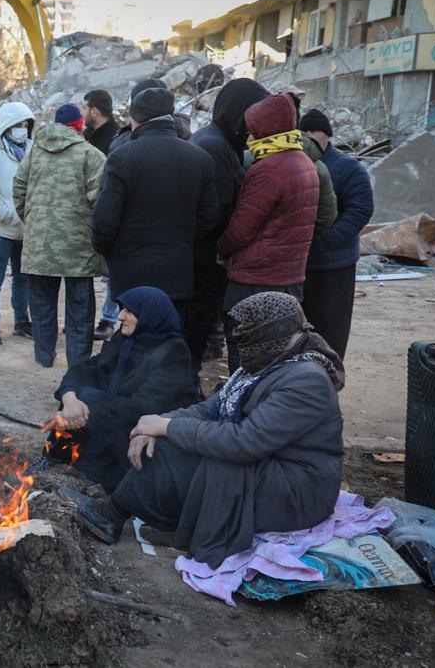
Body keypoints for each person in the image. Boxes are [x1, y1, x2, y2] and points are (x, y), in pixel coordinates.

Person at [64, 292, 344, 570]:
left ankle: (111, 512)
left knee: (179, 448)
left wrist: (169, 427)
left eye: (245, 335)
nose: (237, 341)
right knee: (166, 438)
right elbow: (208, 408)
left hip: (295, 487)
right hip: (268, 465)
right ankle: (157, 517)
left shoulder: (306, 380)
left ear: (268, 334)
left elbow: (247, 442)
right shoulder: (267, 361)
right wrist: (158, 423)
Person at [92, 88, 218, 323]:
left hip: (130, 275)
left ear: (136, 119)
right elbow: (209, 217)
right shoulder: (200, 158)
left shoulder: (122, 157)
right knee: (168, 337)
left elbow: (104, 221)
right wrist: (182, 243)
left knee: (135, 342)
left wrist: (111, 253)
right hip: (178, 272)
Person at [51, 287, 196, 490]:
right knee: (81, 395)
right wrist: (69, 399)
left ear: (148, 315)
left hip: (147, 425)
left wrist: (84, 413)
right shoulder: (127, 339)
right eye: (122, 309)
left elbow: (141, 406)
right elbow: (85, 369)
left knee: (88, 406)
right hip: (117, 410)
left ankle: (97, 482)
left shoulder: (173, 352)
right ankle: (55, 458)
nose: (120, 316)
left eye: (129, 311)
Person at [217, 94, 319, 372]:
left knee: (246, 353)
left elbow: (240, 230)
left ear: (266, 128)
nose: (249, 135)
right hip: (289, 276)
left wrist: (219, 247)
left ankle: (241, 407)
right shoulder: (303, 161)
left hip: (255, 278)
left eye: (252, 128)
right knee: (277, 352)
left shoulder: (268, 169)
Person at [185, 79, 271, 381]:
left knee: (198, 324)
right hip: (204, 256)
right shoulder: (215, 146)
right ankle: (186, 385)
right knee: (197, 324)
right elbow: (216, 210)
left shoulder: (220, 140)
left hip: (202, 252)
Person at [14, 103, 105, 368]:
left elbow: (18, 189)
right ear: (79, 126)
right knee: (80, 309)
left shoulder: (34, 154)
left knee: (42, 304)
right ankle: (78, 363)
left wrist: (33, 220)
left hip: (39, 244)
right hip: (78, 245)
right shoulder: (92, 156)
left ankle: (44, 356)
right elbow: (100, 201)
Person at [299, 108, 374, 359]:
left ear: (327, 135)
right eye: (303, 131)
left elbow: (360, 210)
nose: (308, 136)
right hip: (299, 264)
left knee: (331, 329)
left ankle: (328, 384)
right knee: (299, 328)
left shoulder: (349, 168)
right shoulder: (296, 164)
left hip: (334, 264)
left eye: (314, 131)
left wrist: (327, 240)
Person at [0, 101, 34, 345]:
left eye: (25, 124)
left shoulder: (33, 149)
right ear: (6, 126)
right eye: (17, 125)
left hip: (27, 229)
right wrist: (9, 214)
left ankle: (22, 322)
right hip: (2, 227)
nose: (21, 129)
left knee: (22, 278)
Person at [82, 88, 121, 341]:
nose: (82, 112)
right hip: (86, 215)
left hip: (107, 213)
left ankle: (108, 319)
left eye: (85, 107)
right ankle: (81, 318)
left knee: (112, 272)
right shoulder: (87, 135)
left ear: (94, 111)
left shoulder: (115, 140)